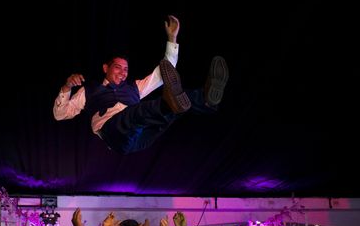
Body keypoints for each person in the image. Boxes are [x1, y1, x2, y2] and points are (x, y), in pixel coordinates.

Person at [53, 15, 229, 154]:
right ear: (106, 68)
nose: (123, 72)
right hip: (114, 132)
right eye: (117, 67)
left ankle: (206, 99)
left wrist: (172, 39)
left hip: (140, 136)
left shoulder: (134, 87)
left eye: (126, 69)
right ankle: (170, 104)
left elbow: (163, 72)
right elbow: (60, 115)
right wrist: (67, 87)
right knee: (138, 113)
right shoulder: (88, 90)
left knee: (174, 106)